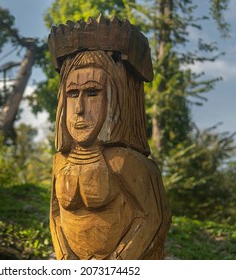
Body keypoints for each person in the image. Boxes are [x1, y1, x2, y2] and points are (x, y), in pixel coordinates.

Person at [50, 49, 171, 259]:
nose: (79, 108)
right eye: (72, 94)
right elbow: (55, 215)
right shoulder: (59, 161)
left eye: (92, 93)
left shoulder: (122, 161)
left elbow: (153, 217)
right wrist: (64, 256)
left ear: (113, 100)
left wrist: (118, 261)